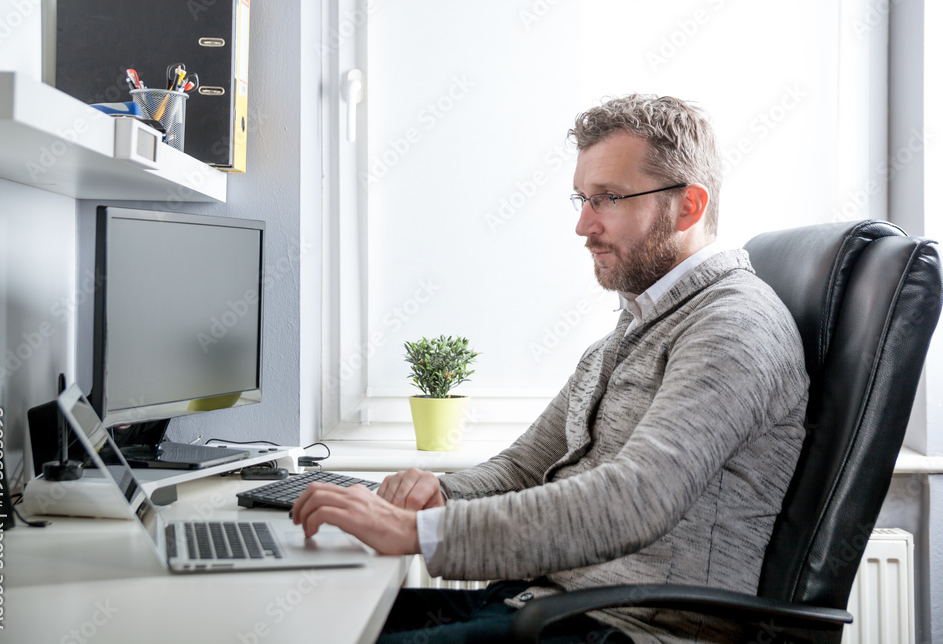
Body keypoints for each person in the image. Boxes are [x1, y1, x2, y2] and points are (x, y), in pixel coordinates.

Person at [291, 94, 809, 643]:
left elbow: (636, 500)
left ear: (688, 206)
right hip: (541, 606)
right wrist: (440, 496)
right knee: (310, 624)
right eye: (582, 199)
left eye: (608, 198)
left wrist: (420, 531)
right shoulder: (634, 328)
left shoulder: (734, 326)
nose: (584, 225)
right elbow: (521, 468)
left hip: (626, 630)